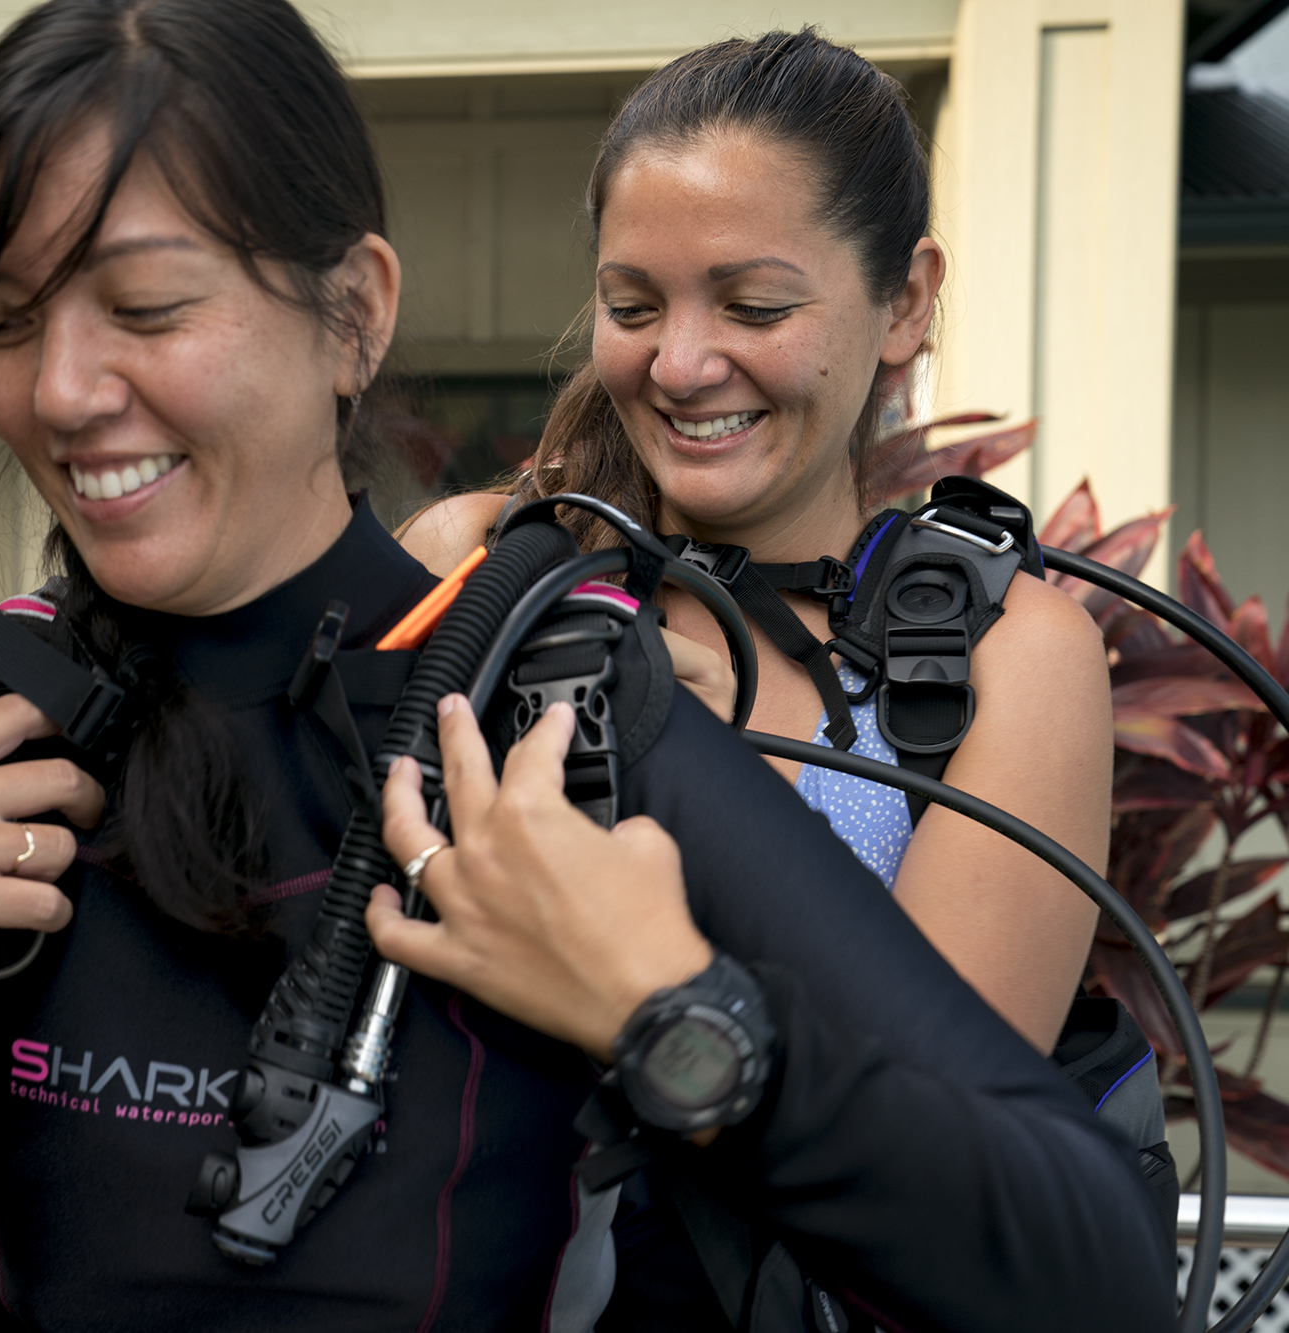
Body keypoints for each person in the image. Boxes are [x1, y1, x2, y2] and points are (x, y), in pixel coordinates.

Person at [0, 5, 1168, 1332]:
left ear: (352, 315)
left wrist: (670, 1007)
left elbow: (1080, 1258)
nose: (61, 392)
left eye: (144, 309)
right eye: (3, 320)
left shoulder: (544, 716)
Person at [400, 30, 1112, 1057]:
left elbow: (948, 1141)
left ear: (903, 302)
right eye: (631, 305)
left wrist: (686, 788)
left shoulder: (1005, 658)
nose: (679, 365)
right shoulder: (477, 564)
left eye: (754, 306)